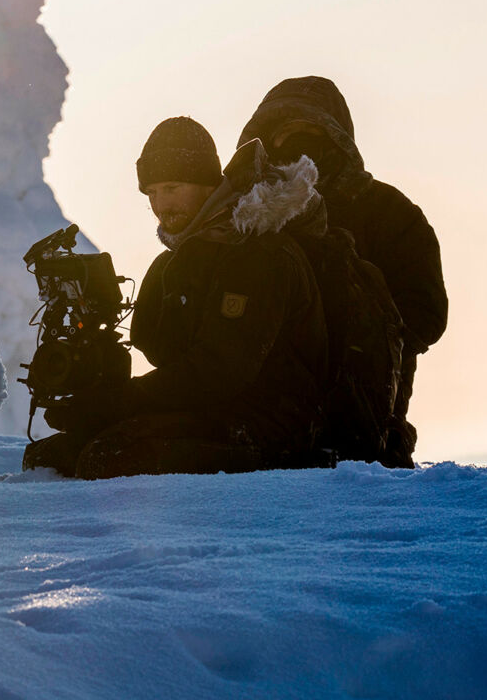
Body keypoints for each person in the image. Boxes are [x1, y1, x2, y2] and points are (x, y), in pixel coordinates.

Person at [29, 117, 328, 479]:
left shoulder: (257, 253)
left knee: (110, 458)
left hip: (273, 429)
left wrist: (119, 404)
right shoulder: (181, 261)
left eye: (171, 188)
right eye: (151, 193)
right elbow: (171, 360)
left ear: (207, 184)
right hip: (210, 414)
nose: (160, 205)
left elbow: (219, 372)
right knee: (48, 457)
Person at [238, 77, 446, 467]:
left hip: (366, 412)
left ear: (336, 138)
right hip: (262, 410)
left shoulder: (389, 212)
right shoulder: (248, 218)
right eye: (284, 134)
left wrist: (365, 328)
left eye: (310, 131)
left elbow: (426, 312)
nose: (297, 144)